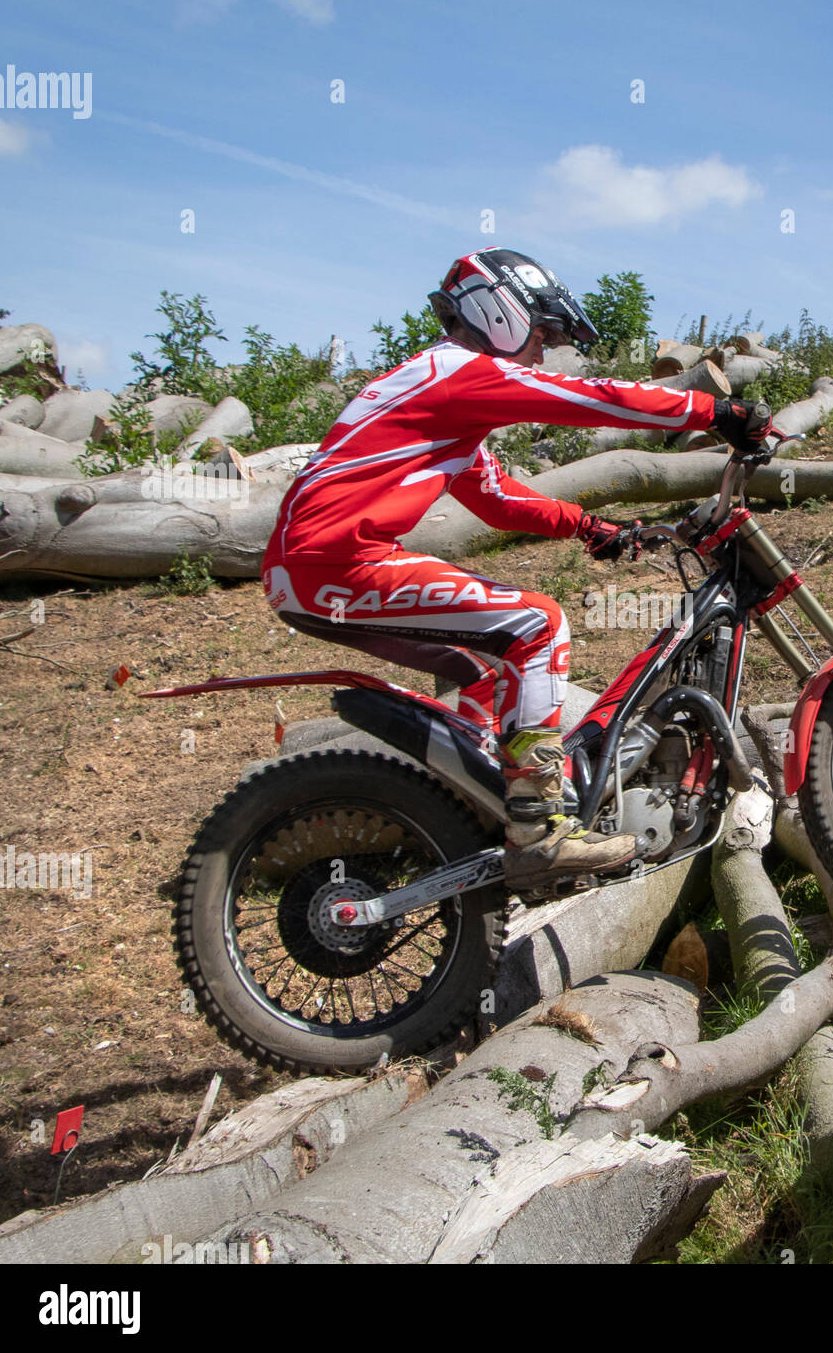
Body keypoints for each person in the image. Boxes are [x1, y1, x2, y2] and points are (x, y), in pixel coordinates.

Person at [261, 247, 770, 889]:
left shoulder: (440, 398)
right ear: (496, 309)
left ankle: (471, 815)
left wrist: (589, 526)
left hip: (307, 570)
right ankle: (538, 830)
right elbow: (588, 399)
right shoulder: (457, 372)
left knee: (480, 673)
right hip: (334, 561)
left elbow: (497, 498)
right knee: (538, 623)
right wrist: (714, 411)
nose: (545, 350)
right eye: (545, 331)